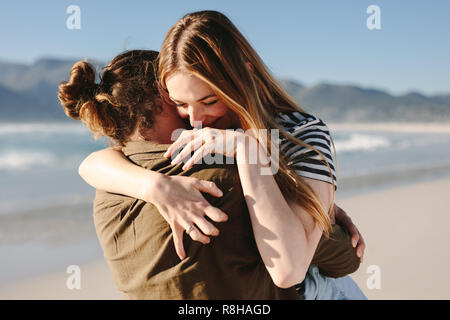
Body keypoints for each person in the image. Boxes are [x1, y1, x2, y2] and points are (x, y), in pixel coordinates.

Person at [78, 11, 367, 299]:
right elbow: (92, 164)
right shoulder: (192, 138)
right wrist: (155, 186)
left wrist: (248, 151)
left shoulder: (299, 133)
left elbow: (288, 270)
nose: (196, 119)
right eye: (180, 103)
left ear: (245, 74)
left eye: (209, 100)